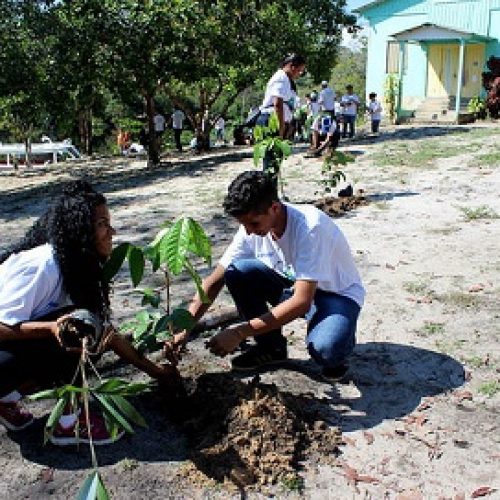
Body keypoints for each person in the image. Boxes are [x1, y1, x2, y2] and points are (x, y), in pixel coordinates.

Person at [0, 181, 177, 444]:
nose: (112, 232)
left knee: (84, 327)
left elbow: (108, 335)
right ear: (79, 231)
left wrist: (158, 373)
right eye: (102, 224)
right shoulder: (43, 266)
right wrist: (51, 329)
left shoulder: (78, 266)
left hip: (11, 355)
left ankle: (6, 401)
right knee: (78, 325)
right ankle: (69, 424)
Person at [165, 171, 365, 383]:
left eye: (254, 224)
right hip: (292, 285)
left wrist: (240, 333)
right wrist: (184, 329)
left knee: (326, 348)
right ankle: (271, 348)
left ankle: (338, 344)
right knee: (237, 272)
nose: (249, 232)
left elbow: (301, 302)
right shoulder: (251, 228)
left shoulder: (310, 227)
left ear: (275, 208)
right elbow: (214, 281)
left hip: (335, 295)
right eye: (244, 225)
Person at [256, 54, 306, 185]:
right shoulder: (281, 78)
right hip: (272, 121)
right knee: (271, 161)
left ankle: (272, 194)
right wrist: (281, 127)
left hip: (280, 121)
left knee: (276, 160)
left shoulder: (287, 80)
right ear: (291, 66)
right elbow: (277, 103)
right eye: (299, 70)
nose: (299, 74)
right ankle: (268, 196)